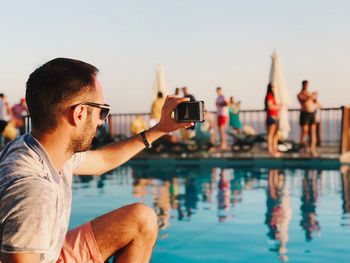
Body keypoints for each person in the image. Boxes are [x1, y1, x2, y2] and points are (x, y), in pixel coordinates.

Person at [0, 58, 193, 263]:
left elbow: (103, 160)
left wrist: (159, 129)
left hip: (48, 255)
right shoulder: (35, 191)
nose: (101, 121)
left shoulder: (36, 148)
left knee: (141, 218)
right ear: (80, 113)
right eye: (102, 111)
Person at [297, 80, 320, 156]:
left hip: (312, 114)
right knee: (304, 132)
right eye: (306, 85)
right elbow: (303, 100)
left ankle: (312, 150)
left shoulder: (310, 94)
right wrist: (311, 96)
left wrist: (315, 97)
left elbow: (316, 102)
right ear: (303, 85)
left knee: (312, 133)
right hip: (305, 114)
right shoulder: (300, 94)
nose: (307, 86)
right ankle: (303, 149)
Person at [264, 83, 280, 157]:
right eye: (273, 87)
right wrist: (279, 106)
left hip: (275, 117)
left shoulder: (272, 96)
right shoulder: (269, 96)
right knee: (271, 134)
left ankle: (274, 148)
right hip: (271, 117)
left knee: (275, 134)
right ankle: (270, 149)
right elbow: (270, 106)